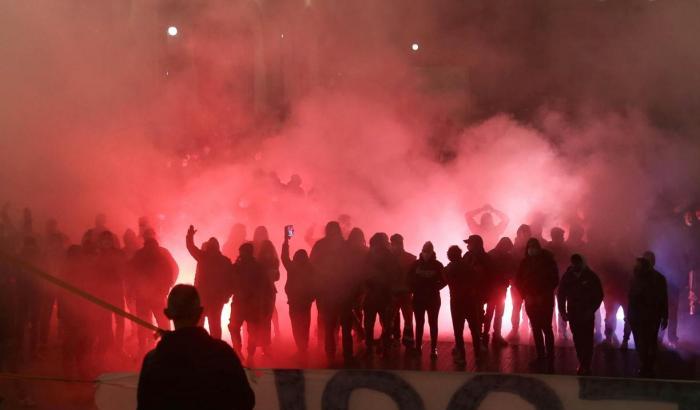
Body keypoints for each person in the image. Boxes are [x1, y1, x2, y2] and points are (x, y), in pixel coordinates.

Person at [137, 284, 255, 410]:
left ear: (167, 313)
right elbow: (246, 401)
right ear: (200, 313)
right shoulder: (223, 354)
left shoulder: (152, 361)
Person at [310, 221, 353, 361]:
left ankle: (331, 355)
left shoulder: (320, 246)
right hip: (339, 291)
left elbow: (312, 266)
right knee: (343, 325)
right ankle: (345, 355)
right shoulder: (346, 246)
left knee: (330, 325)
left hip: (328, 291)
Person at [557, 254, 604, 375]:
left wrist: (592, 309)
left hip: (586, 313)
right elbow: (561, 295)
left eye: (578, 263)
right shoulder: (568, 276)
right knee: (577, 338)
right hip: (574, 313)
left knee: (587, 339)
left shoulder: (591, 276)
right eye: (574, 263)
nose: (576, 265)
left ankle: (586, 364)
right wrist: (562, 311)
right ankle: (582, 362)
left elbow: (598, 295)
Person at [130, 237, 179, 352]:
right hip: (151, 296)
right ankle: (165, 347)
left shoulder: (141, 255)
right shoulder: (157, 255)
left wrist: (165, 289)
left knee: (146, 324)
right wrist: (165, 288)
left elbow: (168, 273)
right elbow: (169, 272)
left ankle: (148, 348)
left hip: (150, 297)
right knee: (159, 324)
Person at [186, 225, 234, 340]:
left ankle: (198, 349)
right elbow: (231, 281)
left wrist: (189, 236)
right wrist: (226, 296)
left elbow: (191, 247)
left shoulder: (203, 257)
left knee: (199, 326)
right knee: (215, 326)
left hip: (202, 298)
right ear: (218, 247)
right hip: (217, 299)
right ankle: (215, 350)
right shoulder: (225, 261)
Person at [515, 238, 559, 364]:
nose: (531, 249)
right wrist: (525, 295)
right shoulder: (525, 262)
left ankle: (550, 355)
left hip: (544, 300)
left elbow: (554, 280)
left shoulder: (548, 261)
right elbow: (518, 280)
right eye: (529, 247)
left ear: (539, 247)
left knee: (546, 327)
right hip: (530, 300)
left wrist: (542, 295)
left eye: (534, 246)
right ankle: (541, 356)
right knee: (535, 328)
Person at [229, 243, 275, 362]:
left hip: (246, 304)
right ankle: (244, 353)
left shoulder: (249, 267)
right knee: (246, 330)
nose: (241, 255)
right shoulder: (254, 267)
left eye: (242, 252)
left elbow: (265, 286)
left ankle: (244, 353)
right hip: (246, 304)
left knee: (245, 329)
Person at [627, 252, 669, 377]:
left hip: (651, 316)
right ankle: (646, 364)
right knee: (641, 342)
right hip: (638, 316)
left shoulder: (658, 279)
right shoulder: (635, 277)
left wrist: (665, 316)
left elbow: (663, 299)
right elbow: (630, 297)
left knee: (649, 341)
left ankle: (647, 365)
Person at [363, 233, 400, 357]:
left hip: (370, 295)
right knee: (387, 323)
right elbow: (394, 275)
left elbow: (363, 274)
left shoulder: (368, 255)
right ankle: (385, 349)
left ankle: (368, 348)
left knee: (369, 323)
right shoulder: (390, 256)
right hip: (385, 296)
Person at [282, 230, 316, 354]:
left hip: (295, 301)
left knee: (296, 325)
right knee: (304, 324)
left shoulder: (293, 268)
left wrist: (286, 240)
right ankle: (303, 348)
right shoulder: (311, 269)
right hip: (305, 302)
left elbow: (284, 257)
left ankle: (301, 348)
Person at [93, 230, 128, 355]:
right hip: (103, 294)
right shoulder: (97, 255)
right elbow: (93, 274)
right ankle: (108, 346)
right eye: (104, 240)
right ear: (101, 242)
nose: (106, 242)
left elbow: (125, 270)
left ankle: (119, 348)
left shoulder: (119, 254)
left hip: (117, 292)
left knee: (120, 321)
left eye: (109, 239)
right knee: (106, 322)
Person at [408, 242, 445, 358]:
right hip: (421, 298)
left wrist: (435, 288)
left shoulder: (437, 265)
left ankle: (433, 348)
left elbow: (444, 280)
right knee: (420, 323)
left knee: (432, 323)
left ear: (432, 251)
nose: (426, 254)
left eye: (428, 251)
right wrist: (414, 288)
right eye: (425, 251)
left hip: (431, 298)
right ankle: (419, 346)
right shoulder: (416, 264)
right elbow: (408, 278)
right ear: (422, 251)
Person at [461, 235, 492, 358]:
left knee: (478, 318)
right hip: (467, 293)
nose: (467, 245)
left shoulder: (485, 258)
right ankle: (466, 344)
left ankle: (479, 343)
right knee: (469, 318)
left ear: (476, 244)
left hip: (479, 293)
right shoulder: (467, 256)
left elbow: (489, 277)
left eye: (470, 243)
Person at [484, 237, 516, 347]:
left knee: (492, 312)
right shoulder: (505, 256)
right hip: (497, 288)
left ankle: (486, 335)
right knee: (495, 313)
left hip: (496, 288)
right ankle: (495, 335)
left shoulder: (491, 254)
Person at [390, 233, 417, 349]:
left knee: (391, 318)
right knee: (407, 319)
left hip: (396, 292)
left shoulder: (389, 258)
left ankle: (394, 340)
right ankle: (408, 342)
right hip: (405, 292)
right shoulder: (411, 258)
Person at [444, 245, 468, 365]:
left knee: (458, 329)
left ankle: (461, 355)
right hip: (469, 300)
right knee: (474, 328)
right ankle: (478, 355)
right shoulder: (467, 266)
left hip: (456, 300)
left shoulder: (449, 268)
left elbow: (443, 280)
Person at [508, 224, 532, 341]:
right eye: (522, 233)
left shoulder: (531, 248)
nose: (524, 235)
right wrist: (512, 280)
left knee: (530, 307)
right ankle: (515, 330)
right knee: (516, 307)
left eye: (526, 233)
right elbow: (510, 266)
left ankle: (532, 330)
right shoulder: (514, 249)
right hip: (517, 283)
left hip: (529, 282)